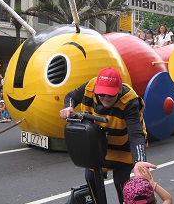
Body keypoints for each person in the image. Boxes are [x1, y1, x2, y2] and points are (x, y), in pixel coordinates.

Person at [59, 67, 155, 203]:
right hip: (97, 142)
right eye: (102, 94)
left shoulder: (130, 101)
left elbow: (136, 133)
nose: (106, 98)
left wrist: (139, 161)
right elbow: (71, 96)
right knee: (91, 176)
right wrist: (69, 107)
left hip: (124, 144)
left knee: (123, 183)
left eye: (111, 95)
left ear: (120, 90)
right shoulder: (90, 87)